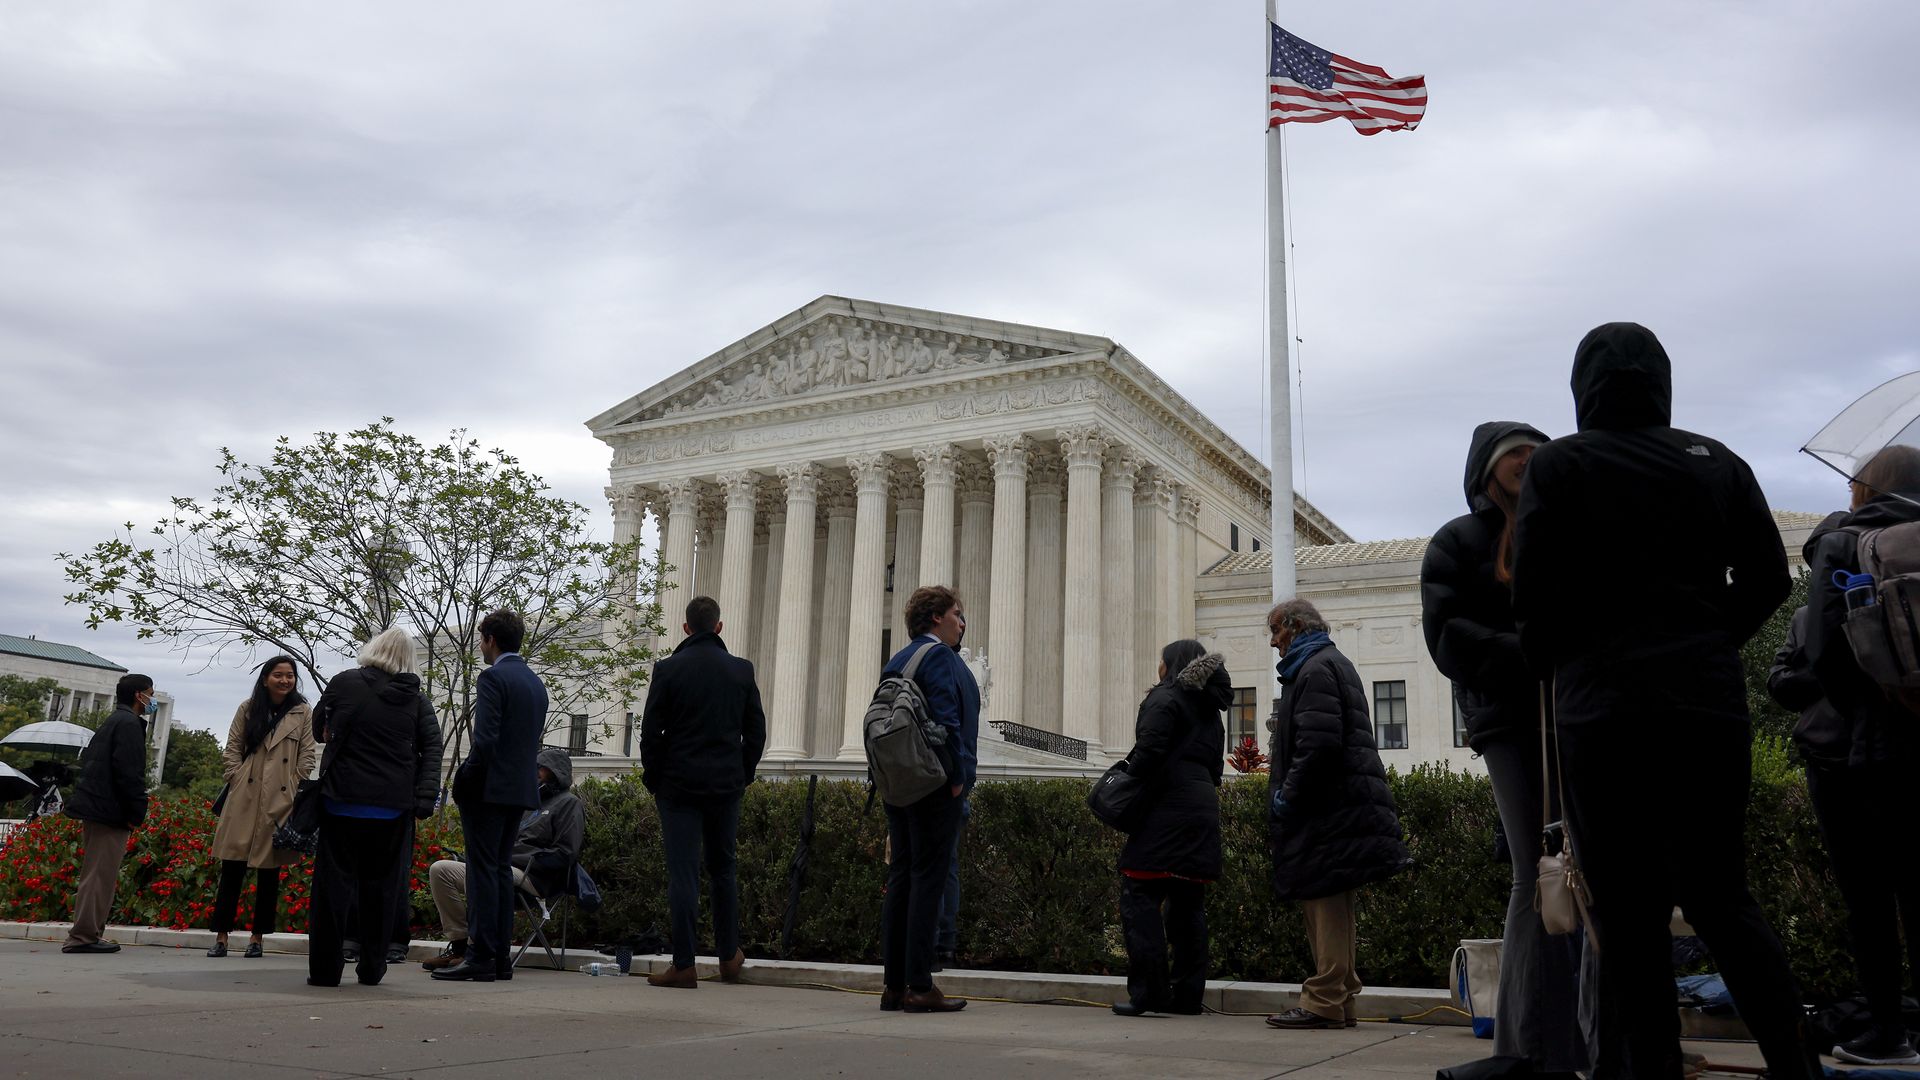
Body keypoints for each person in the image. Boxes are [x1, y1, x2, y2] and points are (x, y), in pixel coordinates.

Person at [1510, 322, 1815, 1078]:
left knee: (1628, 912)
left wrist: (1567, 656)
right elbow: (1771, 579)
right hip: (1704, 706)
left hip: (1603, 710)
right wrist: (1709, 641)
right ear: (1661, 379)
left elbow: (1534, 595)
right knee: (1721, 897)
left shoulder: (1560, 464)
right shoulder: (1719, 462)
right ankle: (1797, 1068)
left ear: (1582, 387)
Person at [1420, 422, 1588, 1072]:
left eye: (1538, 451)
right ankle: (1521, 1044)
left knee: (1576, 874)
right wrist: (1528, 654)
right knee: (1536, 872)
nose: (1528, 459)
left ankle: (1571, 1034)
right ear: (1487, 471)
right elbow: (1447, 636)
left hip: (1573, 713)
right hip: (1509, 721)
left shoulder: (1569, 533)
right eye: (1514, 452)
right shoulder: (1458, 542)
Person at [1796, 444, 1920, 1066]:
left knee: (1868, 899)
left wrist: (1862, 708)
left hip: (1863, 751)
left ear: (1862, 488)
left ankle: (1887, 1034)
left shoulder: (1844, 540)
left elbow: (1820, 650)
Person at [1262, 600, 1408, 1030]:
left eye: (1275, 630)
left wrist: (1287, 796)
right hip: (1338, 805)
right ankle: (1338, 998)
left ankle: (1324, 999)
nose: (1273, 641)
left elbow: (1318, 745)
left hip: (1323, 810)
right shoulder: (1329, 663)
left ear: (1295, 626)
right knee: (1334, 904)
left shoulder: (1313, 669)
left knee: (1322, 900)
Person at [638, 595, 766, 989]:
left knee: (683, 874)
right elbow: (756, 732)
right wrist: (742, 773)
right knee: (723, 869)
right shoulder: (741, 671)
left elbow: (650, 732)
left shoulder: (669, 669)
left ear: (686, 628)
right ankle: (729, 957)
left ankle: (684, 964)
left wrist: (654, 777)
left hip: (678, 786)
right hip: (725, 785)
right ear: (720, 627)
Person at [307, 627, 443, 987]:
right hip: (392, 809)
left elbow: (317, 725)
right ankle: (371, 968)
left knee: (331, 891)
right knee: (382, 891)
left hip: (341, 803)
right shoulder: (416, 700)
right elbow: (433, 749)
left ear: (374, 650)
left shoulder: (343, 682)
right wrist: (424, 800)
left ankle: (324, 971)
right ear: (407, 659)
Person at [1111, 639, 1230, 1018]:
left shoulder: (1164, 699)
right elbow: (1216, 767)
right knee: (1188, 904)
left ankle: (1148, 991)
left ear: (1171, 664)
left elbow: (1148, 753)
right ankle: (1187, 995)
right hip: (1200, 807)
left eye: (1160, 661)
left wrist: (1126, 783)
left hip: (1165, 807)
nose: (1158, 667)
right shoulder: (1212, 709)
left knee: (1138, 895)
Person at [877, 585, 978, 1014]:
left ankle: (894, 985)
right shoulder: (938, 657)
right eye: (957, 613)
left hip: (898, 781)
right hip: (933, 783)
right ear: (936, 617)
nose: (962, 622)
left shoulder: (899, 658)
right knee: (928, 879)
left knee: (902, 877)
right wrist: (956, 777)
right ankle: (920, 984)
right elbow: (947, 720)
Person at [434, 609, 546, 983]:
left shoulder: (493, 677)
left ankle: (481, 956)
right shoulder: (534, 683)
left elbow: (486, 741)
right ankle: (498, 958)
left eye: (482, 638)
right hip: (518, 790)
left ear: (490, 640)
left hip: (488, 790)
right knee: (497, 871)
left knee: (482, 872)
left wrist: (465, 778)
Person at [423, 748, 585, 972]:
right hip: (500, 866)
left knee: (483, 874)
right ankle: (461, 945)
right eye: (535, 766)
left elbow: (566, 852)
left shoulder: (569, 803)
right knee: (440, 869)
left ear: (557, 772)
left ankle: (478, 948)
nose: (536, 770)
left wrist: (516, 858)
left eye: (542, 767)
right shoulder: (527, 800)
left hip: (534, 875)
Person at [207, 655, 317, 958]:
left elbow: (308, 754)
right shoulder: (248, 707)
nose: (285, 680)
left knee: (269, 872)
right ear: (266, 678)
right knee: (232, 867)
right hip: (245, 794)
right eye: (278, 675)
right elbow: (232, 748)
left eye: (290, 675)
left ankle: (257, 938)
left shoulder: (302, 711)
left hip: (280, 799)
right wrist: (237, 777)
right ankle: (221, 937)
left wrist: (294, 784)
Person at [61, 673, 156, 955]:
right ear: (140, 696)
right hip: (110, 811)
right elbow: (129, 773)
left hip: (99, 808)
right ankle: (83, 936)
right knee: (100, 875)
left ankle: (87, 934)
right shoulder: (128, 724)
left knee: (97, 873)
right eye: (151, 693)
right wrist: (135, 811)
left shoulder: (115, 721)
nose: (153, 699)